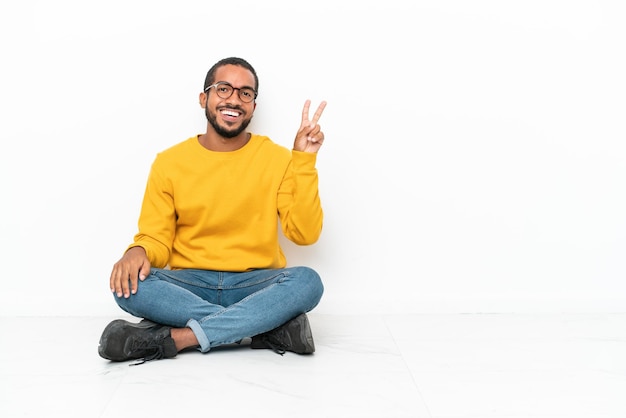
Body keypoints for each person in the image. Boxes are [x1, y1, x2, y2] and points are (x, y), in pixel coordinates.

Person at [98, 57, 327, 365]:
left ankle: (179, 339)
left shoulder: (278, 158)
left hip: (254, 284)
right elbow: (156, 237)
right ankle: (264, 328)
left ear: (253, 107)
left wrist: (303, 161)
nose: (234, 98)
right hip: (190, 285)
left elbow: (305, 233)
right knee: (128, 287)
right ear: (204, 98)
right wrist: (137, 250)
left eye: (245, 93)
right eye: (224, 89)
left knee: (308, 282)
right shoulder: (169, 163)